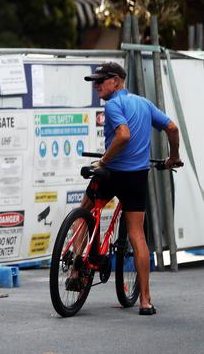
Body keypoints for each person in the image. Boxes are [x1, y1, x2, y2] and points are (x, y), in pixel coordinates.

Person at [82, 62, 182, 316]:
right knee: (137, 235)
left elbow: (123, 135)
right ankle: (145, 301)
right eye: (95, 81)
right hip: (136, 177)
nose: (96, 86)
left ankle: (75, 270)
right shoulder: (144, 103)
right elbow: (171, 127)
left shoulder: (114, 104)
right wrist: (173, 157)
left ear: (116, 81)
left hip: (112, 173)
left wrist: (103, 160)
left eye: (101, 81)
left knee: (83, 213)